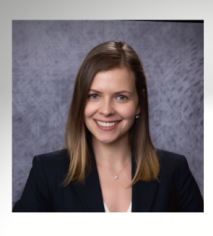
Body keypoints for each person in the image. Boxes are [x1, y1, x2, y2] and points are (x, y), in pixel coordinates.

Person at [13, 41, 203, 212]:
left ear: (138, 102)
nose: (106, 110)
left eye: (121, 97)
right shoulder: (47, 171)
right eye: (94, 95)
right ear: (81, 101)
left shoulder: (175, 171)